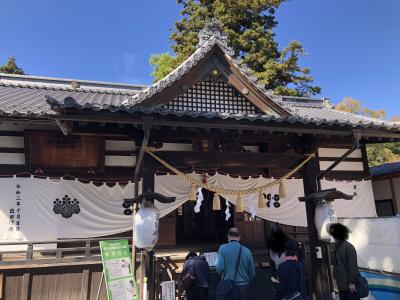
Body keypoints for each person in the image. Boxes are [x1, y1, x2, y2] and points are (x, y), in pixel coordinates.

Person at [215, 227, 255, 300]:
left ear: (228, 236)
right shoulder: (247, 251)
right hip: (243, 287)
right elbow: (252, 273)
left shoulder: (222, 248)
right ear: (239, 237)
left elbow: (219, 268)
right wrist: (246, 280)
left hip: (227, 286)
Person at [329, 223, 360, 300]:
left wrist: (352, 282)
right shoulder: (336, 246)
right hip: (341, 284)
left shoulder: (348, 247)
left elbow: (353, 266)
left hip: (349, 284)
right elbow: (336, 264)